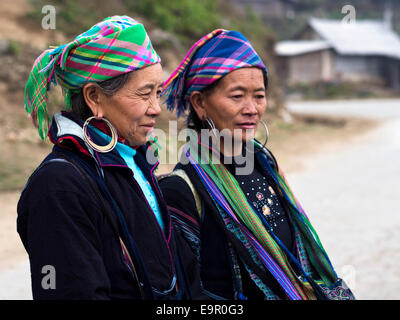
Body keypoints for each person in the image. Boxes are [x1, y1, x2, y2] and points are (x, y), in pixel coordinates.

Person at [159, 29, 355, 300]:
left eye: (259, 96)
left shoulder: (265, 165)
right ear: (200, 103)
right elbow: (185, 294)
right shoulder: (181, 190)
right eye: (237, 96)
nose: (252, 108)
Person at [17, 16, 192, 300]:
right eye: (145, 93)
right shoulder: (58, 186)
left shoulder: (137, 163)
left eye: (158, 93)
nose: (157, 108)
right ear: (95, 97)